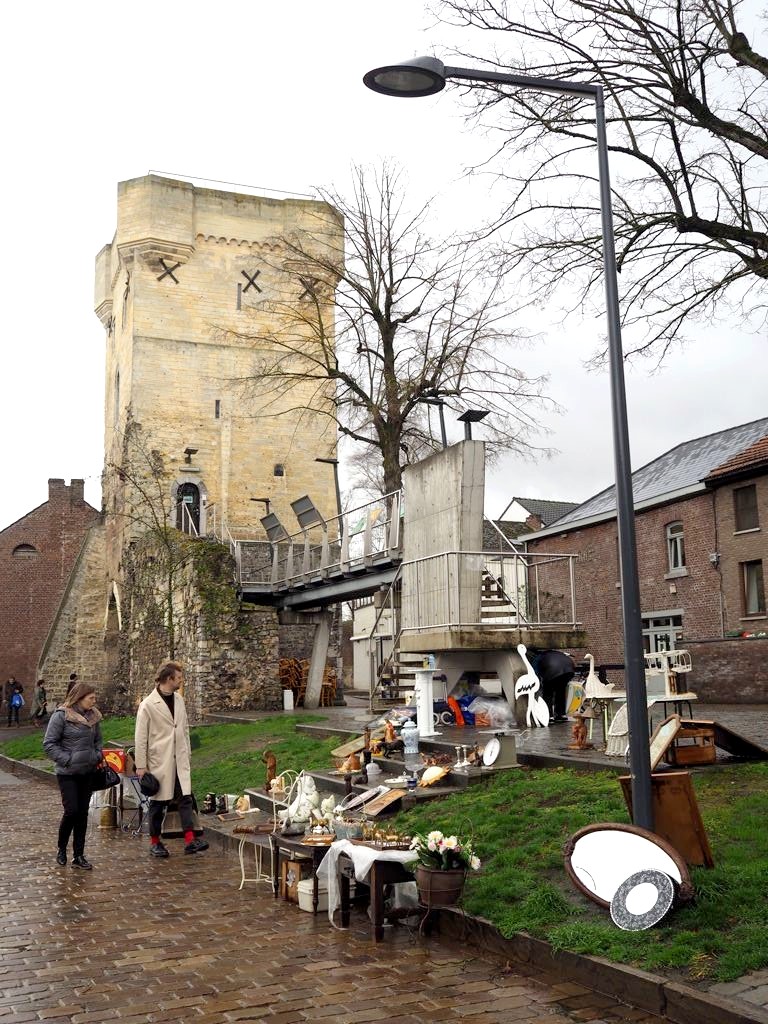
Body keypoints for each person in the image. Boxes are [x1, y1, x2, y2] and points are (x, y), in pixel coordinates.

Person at [134, 660, 208, 859]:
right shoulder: (148, 705)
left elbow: (184, 729)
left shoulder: (179, 700)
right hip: (160, 761)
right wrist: (141, 765)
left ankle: (190, 840)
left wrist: (187, 753)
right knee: (159, 803)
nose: (181, 681)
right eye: (179, 678)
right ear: (168, 679)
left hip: (179, 759)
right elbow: (140, 737)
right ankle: (155, 842)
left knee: (185, 798)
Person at [43, 681, 104, 869]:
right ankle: (61, 848)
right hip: (67, 773)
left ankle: (79, 855)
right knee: (72, 811)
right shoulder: (61, 716)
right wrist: (68, 759)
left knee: (83, 813)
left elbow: (98, 741)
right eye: (91, 698)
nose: (94, 701)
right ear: (79, 698)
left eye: (94, 698)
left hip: (88, 771)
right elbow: (49, 744)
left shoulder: (93, 716)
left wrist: (96, 755)